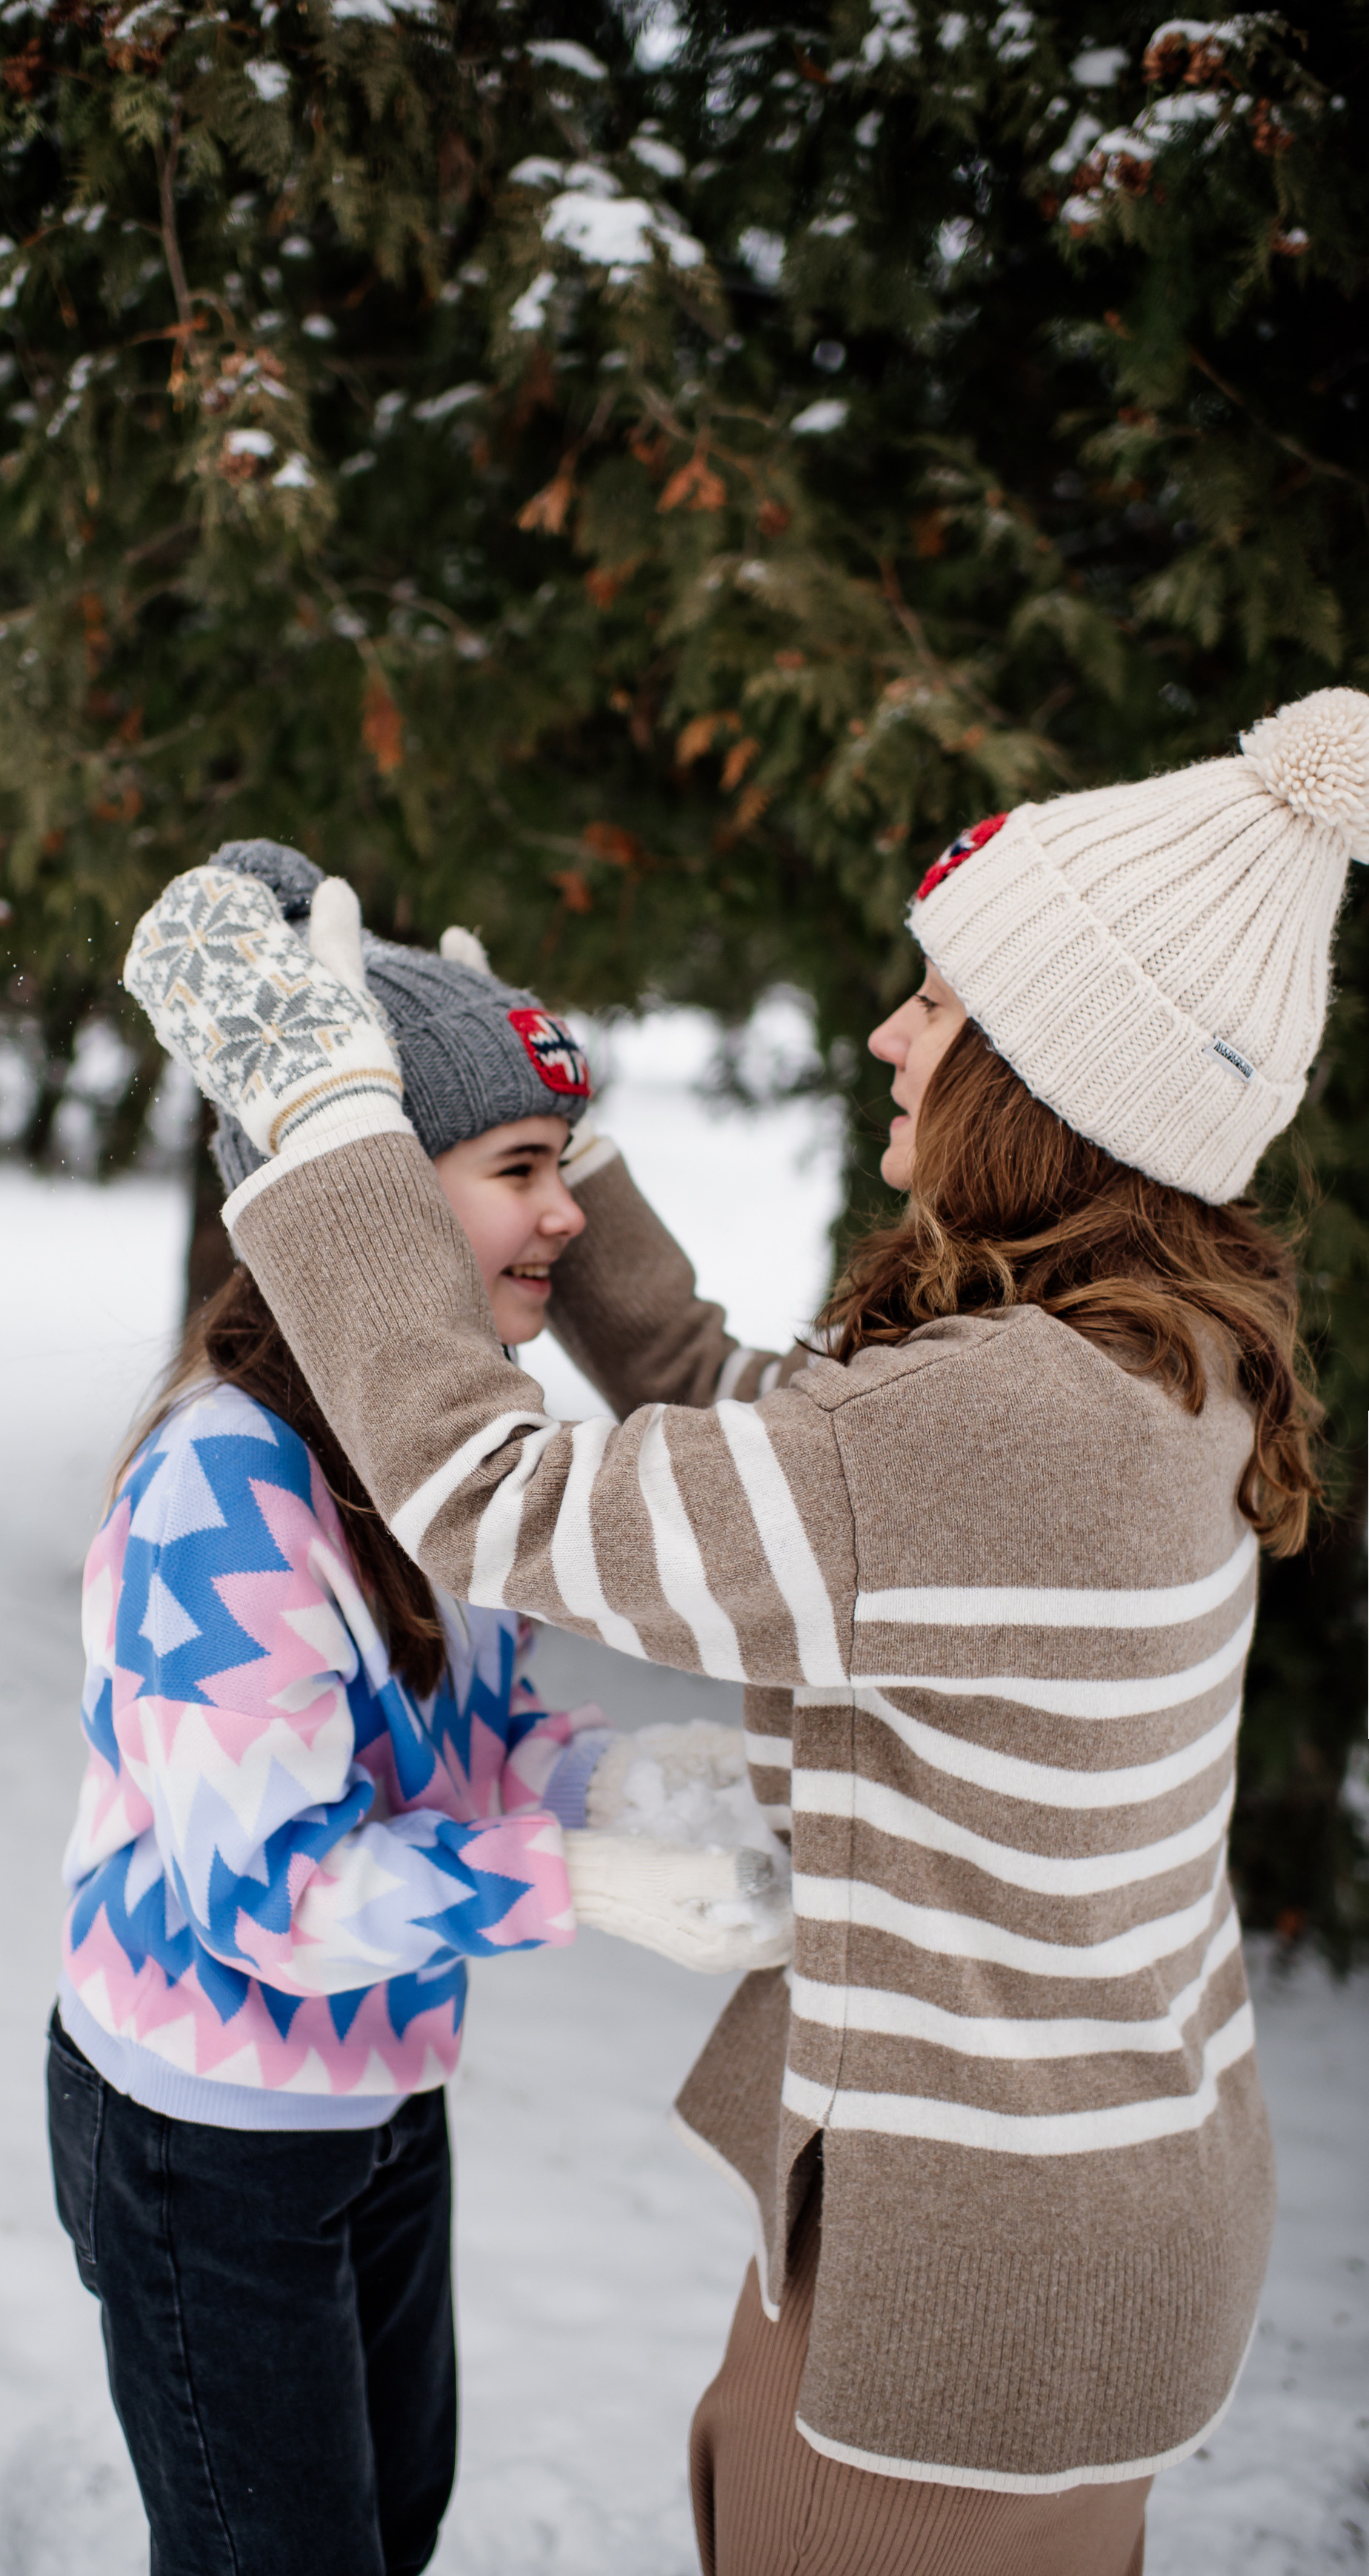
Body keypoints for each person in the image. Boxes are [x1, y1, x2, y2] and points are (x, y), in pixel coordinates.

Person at [121, 686, 1368, 2575]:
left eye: (937, 1001)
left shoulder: (1000, 1423)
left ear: (1048, 1074)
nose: (887, 1031)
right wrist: (569, 1147)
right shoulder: (1141, 1357)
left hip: (975, 2285)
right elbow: (735, 1408)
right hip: (1081, 2225)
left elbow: (491, 1494)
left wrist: (323, 1132)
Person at [45, 839, 767, 2576]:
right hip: (204, 2142)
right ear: (365, 1195)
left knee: (396, 2522)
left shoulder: (441, 1459)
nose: (569, 1212)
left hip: (378, 2094)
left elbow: (480, 1740)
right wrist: (573, 1881)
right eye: (519, 1166)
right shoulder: (228, 1487)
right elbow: (272, 1896)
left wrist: (626, 1785)